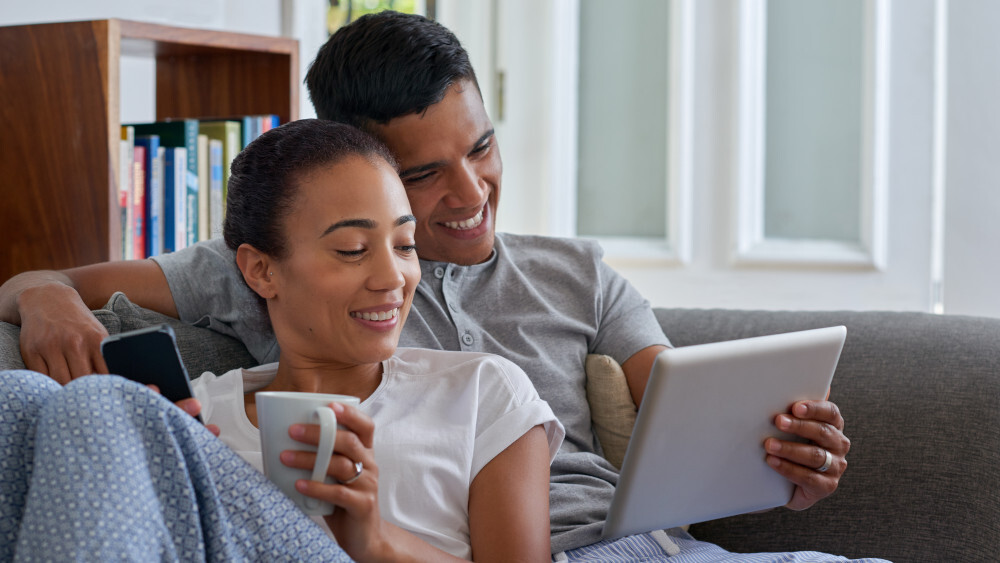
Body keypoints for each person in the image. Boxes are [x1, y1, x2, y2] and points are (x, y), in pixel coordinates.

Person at [0, 11, 877, 562]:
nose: (470, 193)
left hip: (618, 539)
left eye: (482, 148)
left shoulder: (577, 271)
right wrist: (43, 296)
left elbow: (689, 420)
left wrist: (772, 467)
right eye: (425, 174)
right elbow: (44, 278)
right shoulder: (279, 270)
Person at [1, 118, 563, 561]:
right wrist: (42, 296)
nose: (393, 277)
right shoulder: (202, 411)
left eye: (405, 244)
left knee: (104, 405)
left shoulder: (483, 391)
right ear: (260, 271)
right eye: (352, 250)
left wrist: (375, 542)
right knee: (17, 402)